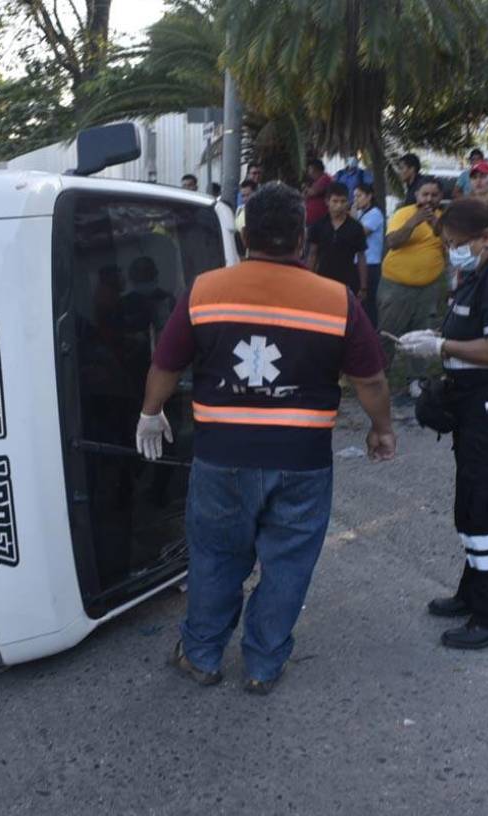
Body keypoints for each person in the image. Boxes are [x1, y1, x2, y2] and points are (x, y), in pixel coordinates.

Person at [135, 181, 395, 694]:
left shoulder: (205, 290)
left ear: (245, 234)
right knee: (288, 564)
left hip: (221, 458)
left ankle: (203, 656)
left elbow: (165, 362)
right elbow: (371, 381)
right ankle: (263, 666)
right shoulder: (336, 300)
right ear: (302, 237)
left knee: (214, 558)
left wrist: (150, 413)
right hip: (301, 460)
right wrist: (381, 429)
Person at [396, 197, 488, 649]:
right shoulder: (481, 272)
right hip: (479, 404)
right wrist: (442, 343)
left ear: (486, 238)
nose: (452, 249)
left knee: (481, 513)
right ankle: (475, 593)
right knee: (472, 507)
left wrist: (442, 348)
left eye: (457, 242)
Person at [379, 176, 446, 398]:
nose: (429, 199)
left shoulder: (444, 220)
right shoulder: (403, 214)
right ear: (416, 195)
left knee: (421, 335)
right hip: (396, 287)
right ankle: (379, 377)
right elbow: (392, 242)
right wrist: (413, 222)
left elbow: (453, 249)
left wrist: (439, 228)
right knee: (388, 333)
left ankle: (417, 380)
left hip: (428, 289)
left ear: (440, 197)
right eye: (424, 194)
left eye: (434, 195)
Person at [307, 182, 368, 298]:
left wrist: (363, 287)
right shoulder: (318, 226)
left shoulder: (356, 228)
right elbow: (312, 254)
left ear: (348, 202)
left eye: (343, 201)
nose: (339, 206)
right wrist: (309, 280)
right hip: (322, 282)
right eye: (335, 201)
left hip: (347, 284)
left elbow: (361, 257)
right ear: (327, 202)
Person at [353, 181, 385, 326]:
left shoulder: (375, 214)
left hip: (371, 264)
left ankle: (371, 330)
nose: (356, 200)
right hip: (358, 262)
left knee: (368, 302)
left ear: (369, 196)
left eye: (359, 196)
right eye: (354, 197)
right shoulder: (361, 213)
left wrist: (352, 219)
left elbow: (360, 234)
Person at [302, 159, 333, 228]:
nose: (309, 172)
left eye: (310, 169)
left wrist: (306, 190)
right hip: (312, 221)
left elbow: (313, 192)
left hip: (319, 220)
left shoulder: (325, 178)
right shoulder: (316, 181)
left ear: (315, 169)